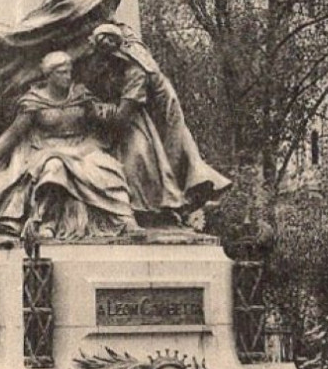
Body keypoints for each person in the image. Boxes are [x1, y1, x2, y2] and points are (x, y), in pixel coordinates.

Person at [0, 51, 137, 240]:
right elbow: (12, 135)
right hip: (46, 149)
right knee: (54, 167)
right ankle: (47, 222)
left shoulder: (80, 95)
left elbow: (102, 120)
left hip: (82, 147)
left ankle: (123, 217)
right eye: (62, 73)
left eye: (69, 72)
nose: (67, 77)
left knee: (107, 167)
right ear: (49, 75)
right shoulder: (34, 102)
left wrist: (125, 106)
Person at [84, 23, 231, 221]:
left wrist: (96, 111)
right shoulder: (118, 48)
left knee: (167, 151)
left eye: (109, 42)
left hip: (159, 107)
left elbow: (122, 116)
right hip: (139, 107)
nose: (105, 46)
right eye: (101, 43)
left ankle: (171, 201)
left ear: (117, 48)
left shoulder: (135, 69)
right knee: (155, 152)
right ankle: (169, 201)